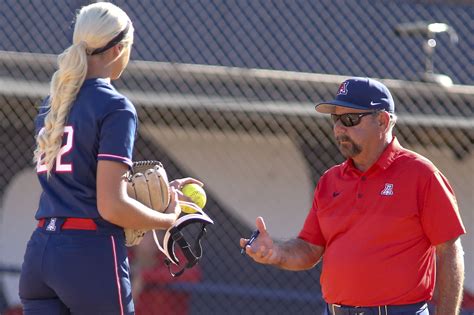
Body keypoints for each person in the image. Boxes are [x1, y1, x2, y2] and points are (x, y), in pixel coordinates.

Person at [18, 3, 200, 314]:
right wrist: (167, 218)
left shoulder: (53, 103)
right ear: (118, 50)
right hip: (89, 254)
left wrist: (158, 194)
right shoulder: (116, 106)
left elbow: (83, 186)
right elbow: (110, 206)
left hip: (40, 253)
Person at [240, 77, 466, 315]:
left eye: (349, 119)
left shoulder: (421, 174)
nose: (339, 128)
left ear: (382, 120)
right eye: (335, 119)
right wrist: (275, 252)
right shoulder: (330, 180)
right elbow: (309, 248)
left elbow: (450, 250)